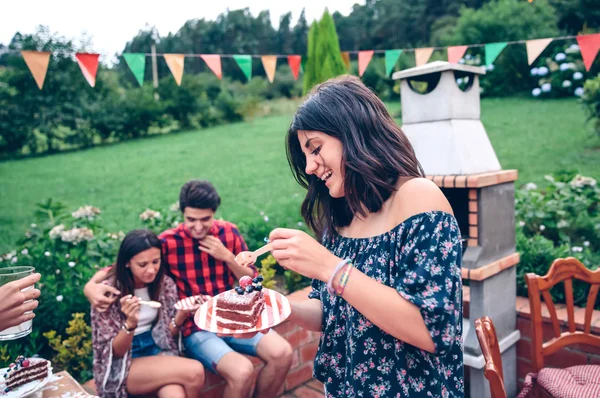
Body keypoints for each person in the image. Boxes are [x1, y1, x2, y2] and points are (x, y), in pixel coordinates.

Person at [268, 75, 464, 397]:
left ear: (355, 132)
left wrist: (330, 267)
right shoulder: (343, 216)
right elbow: (328, 312)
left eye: (315, 149)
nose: (309, 167)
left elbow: (432, 330)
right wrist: (279, 307)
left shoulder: (417, 197)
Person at [85, 181, 293, 398]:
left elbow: (251, 280)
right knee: (241, 371)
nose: (198, 226)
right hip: (196, 328)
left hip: (230, 317)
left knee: (283, 353)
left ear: (214, 214)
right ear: (183, 214)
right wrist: (89, 287)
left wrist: (227, 257)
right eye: (191, 219)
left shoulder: (228, 233)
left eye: (205, 219)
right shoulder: (168, 242)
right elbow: (124, 265)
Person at [91, 229, 205, 398]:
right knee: (195, 370)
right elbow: (115, 353)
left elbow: (166, 335)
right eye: (143, 265)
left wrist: (182, 314)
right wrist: (130, 323)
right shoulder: (108, 293)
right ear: (127, 263)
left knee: (175, 394)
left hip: (156, 349)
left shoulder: (163, 284)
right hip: (125, 361)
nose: (151, 270)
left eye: (155, 261)